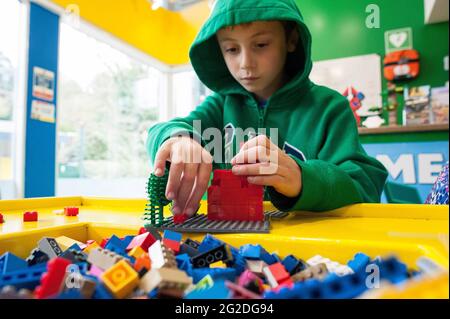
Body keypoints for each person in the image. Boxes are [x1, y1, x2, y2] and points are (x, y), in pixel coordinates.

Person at [146, 0, 388, 217]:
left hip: (307, 248)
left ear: (291, 40)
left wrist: (303, 178)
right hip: (227, 245)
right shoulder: (219, 105)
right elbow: (161, 130)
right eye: (231, 49)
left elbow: (365, 185)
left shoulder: (329, 108)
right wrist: (178, 139)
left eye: (261, 45)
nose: (245, 64)